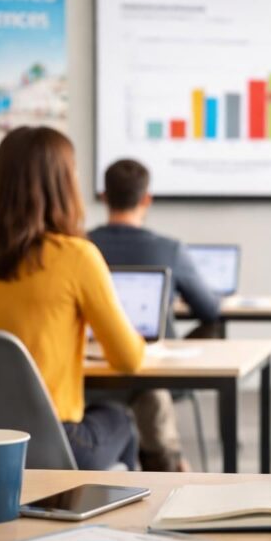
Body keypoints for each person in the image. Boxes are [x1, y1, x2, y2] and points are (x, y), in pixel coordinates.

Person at [0, 126, 145, 471]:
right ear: (63, 185)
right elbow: (128, 360)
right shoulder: (76, 256)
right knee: (121, 419)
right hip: (53, 443)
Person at [88, 158, 221, 472]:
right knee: (150, 389)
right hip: (153, 373)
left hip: (89, 373)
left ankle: (160, 462)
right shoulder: (169, 249)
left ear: (104, 196)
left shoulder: (81, 246)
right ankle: (169, 465)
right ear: (146, 199)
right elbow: (210, 310)